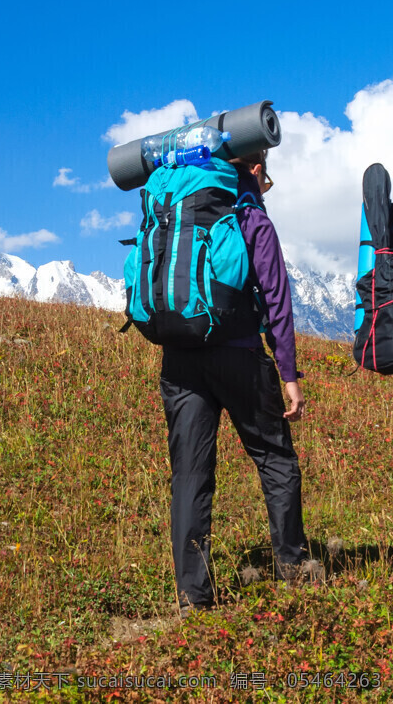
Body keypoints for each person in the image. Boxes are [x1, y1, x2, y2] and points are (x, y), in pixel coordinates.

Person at [159, 149, 310, 615]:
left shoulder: (179, 216)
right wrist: (288, 373)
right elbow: (277, 303)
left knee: (190, 476)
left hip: (180, 360)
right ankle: (293, 565)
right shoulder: (252, 220)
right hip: (240, 356)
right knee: (275, 458)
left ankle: (193, 598)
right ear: (258, 169)